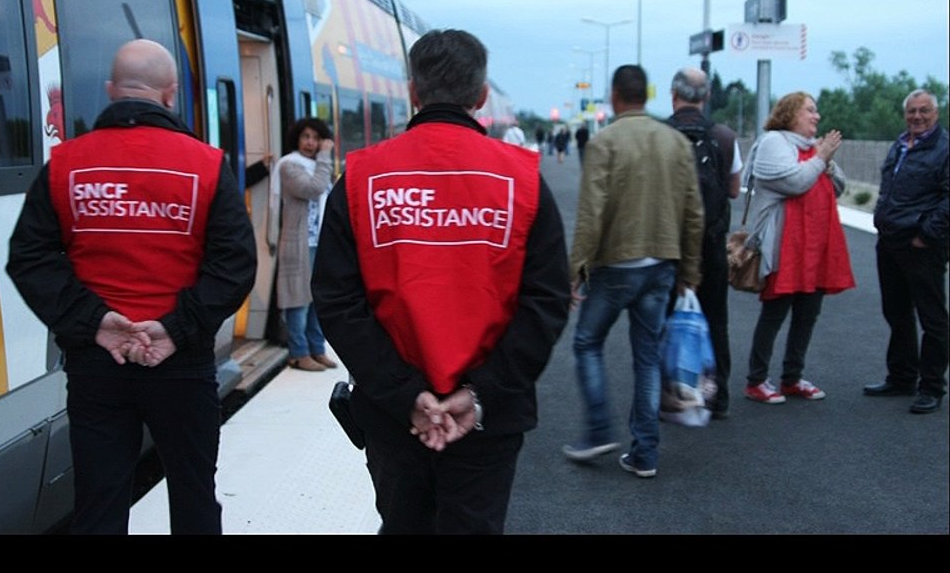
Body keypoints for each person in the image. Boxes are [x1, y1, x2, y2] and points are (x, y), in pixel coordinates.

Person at [311, 29, 570, 534]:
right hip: (488, 417)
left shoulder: (361, 178)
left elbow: (338, 301)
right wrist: (478, 394)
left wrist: (407, 394)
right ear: (481, 97)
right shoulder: (523, 180)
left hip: (391, 415)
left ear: (413, 91)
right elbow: (548, 301)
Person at [6, 39, 257, 535]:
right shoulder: (207, 165)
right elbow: (235, 265)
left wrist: (95, 323)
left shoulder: (66, 163)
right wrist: (174, 328)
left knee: (98, 500)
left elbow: (29, 257)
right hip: (181, 363)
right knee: (193, 495)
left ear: (110, 91)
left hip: (97, 363)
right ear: (169, 96)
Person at [563, 64, 704, 478]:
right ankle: (645, 453)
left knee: (587, 343)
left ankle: (598, 430)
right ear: (648, 94)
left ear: (614, 95)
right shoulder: (675, 142)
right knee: (647, 359)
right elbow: (693, 213)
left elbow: (591, 214)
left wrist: (575, 272)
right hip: (661, 265)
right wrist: (690, 271)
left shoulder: (604, 142)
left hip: (615, 267)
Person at [741, 91, 855, 405]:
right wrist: (822, 158)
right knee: (775, 312)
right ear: (790, 113)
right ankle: (756, 380)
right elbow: (795, 182)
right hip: (785, 246)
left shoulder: (813, 148)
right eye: (810, 110)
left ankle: (792, 377)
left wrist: (825, 161)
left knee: (808, 314)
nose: (817, 117)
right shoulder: (774, 143)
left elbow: (838, 186)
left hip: (816, 245)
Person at [864, 89, 948, 414]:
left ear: (936, 113)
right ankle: (901, 377)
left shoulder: (943, 149)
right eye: (911, 111)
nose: (917, 116)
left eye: (924, 111)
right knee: (896, 312)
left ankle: (932, 387)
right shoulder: (900, 145)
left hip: (921, 245)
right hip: (890, 241)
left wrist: (927, 234)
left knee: (933, 318)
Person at [665, 67, 742, 419]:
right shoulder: (724, 136)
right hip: (711, 243)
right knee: (715, 319)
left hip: (668, 244)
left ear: (673, 94)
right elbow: (733, 190)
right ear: (707, 96)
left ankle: (670, 393)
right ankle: (717, 395)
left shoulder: (660, 135)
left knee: (665, 319)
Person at [272, 117, 338, 372]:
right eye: (305, 137)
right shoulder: (290, 166)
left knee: (316, 299)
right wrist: (324, 158)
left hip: (319, 241)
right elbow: (313, 189)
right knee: (298, 299)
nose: (311, 143)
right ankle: (298, 353)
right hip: (298, 243)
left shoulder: (313, 165)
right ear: (296, 139)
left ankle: (317, 348)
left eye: (315, 137)